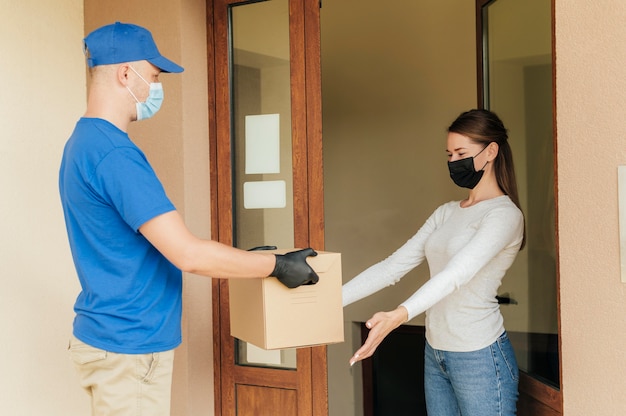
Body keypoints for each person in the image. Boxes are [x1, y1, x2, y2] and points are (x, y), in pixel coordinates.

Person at [59, 22, 318, 416]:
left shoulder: (83, 143)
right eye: (154, 76)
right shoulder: (115, 155)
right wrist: (276, 265)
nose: (156, 88)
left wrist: (243, 258)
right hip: (130, 344)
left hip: (107, 337)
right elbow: (188, 254)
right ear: (125, 73)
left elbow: (134, 242)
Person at [342, 109, 525, 415]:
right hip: (436, 352)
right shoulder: (447, 212)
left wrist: (398, 315)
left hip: (479, 356)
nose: (454, 162)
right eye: (449, 154)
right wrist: (330, 302)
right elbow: (392, 267)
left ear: (491, 151)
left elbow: (456, 274)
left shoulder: (504, 215)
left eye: (461, 153)